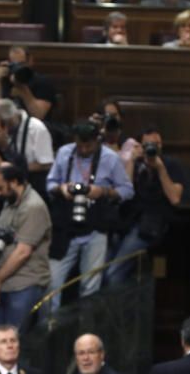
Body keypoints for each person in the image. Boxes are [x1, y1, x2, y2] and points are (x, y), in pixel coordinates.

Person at [46, 121, 134, 312]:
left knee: (90, 288)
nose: (84, 149)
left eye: (89, 145)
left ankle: (85, 335)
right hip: (65, 228)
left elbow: (127, 190)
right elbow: (50, 183)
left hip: (96, 228)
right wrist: (61, 189)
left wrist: (102, 191)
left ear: (97, 141)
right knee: (51, 285)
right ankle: (49, 334)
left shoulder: (110, 158)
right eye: (80, 145)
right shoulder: (64, 153)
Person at [0, 164, 51, 341]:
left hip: (23, 283)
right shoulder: (9, 201)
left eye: (0, 188)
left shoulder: (33, 207)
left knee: (13, 342)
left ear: (13, 182)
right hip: (1, 281)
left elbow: (23, 252)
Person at [106, 127, 184, 285]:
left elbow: (175, 198)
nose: (153, 148)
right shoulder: (134, 163)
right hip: (125, 221)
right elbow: (124, 193)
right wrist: (131, 163)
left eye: (157, 144)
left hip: (150, 225)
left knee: (113, 273)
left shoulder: (170, 164)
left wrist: (160, 169)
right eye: (148, 145)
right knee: (101, 271)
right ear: (139, 146)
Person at [0, 98, 53, 198]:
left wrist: (13, 168)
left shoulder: (36, 128)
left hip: (33, 187)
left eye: (4, 124)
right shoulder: (2, 130)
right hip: (7, 186)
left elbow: (46, 164)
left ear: (11, 119)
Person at [0, 46, 58, 122]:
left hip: (33, 129)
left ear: (30, 61)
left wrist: (23, 89)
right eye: (14, 64)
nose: (18, 68)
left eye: (21, 64)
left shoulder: (43, 82)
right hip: (7, 127)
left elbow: (38, 116)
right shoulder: (5, 80)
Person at [91, 99, 139, 176]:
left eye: (114, 115)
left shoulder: (130, 144)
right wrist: (92, 128)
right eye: (108, 116)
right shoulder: (94, 142)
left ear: (120, 116)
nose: (112, 119)